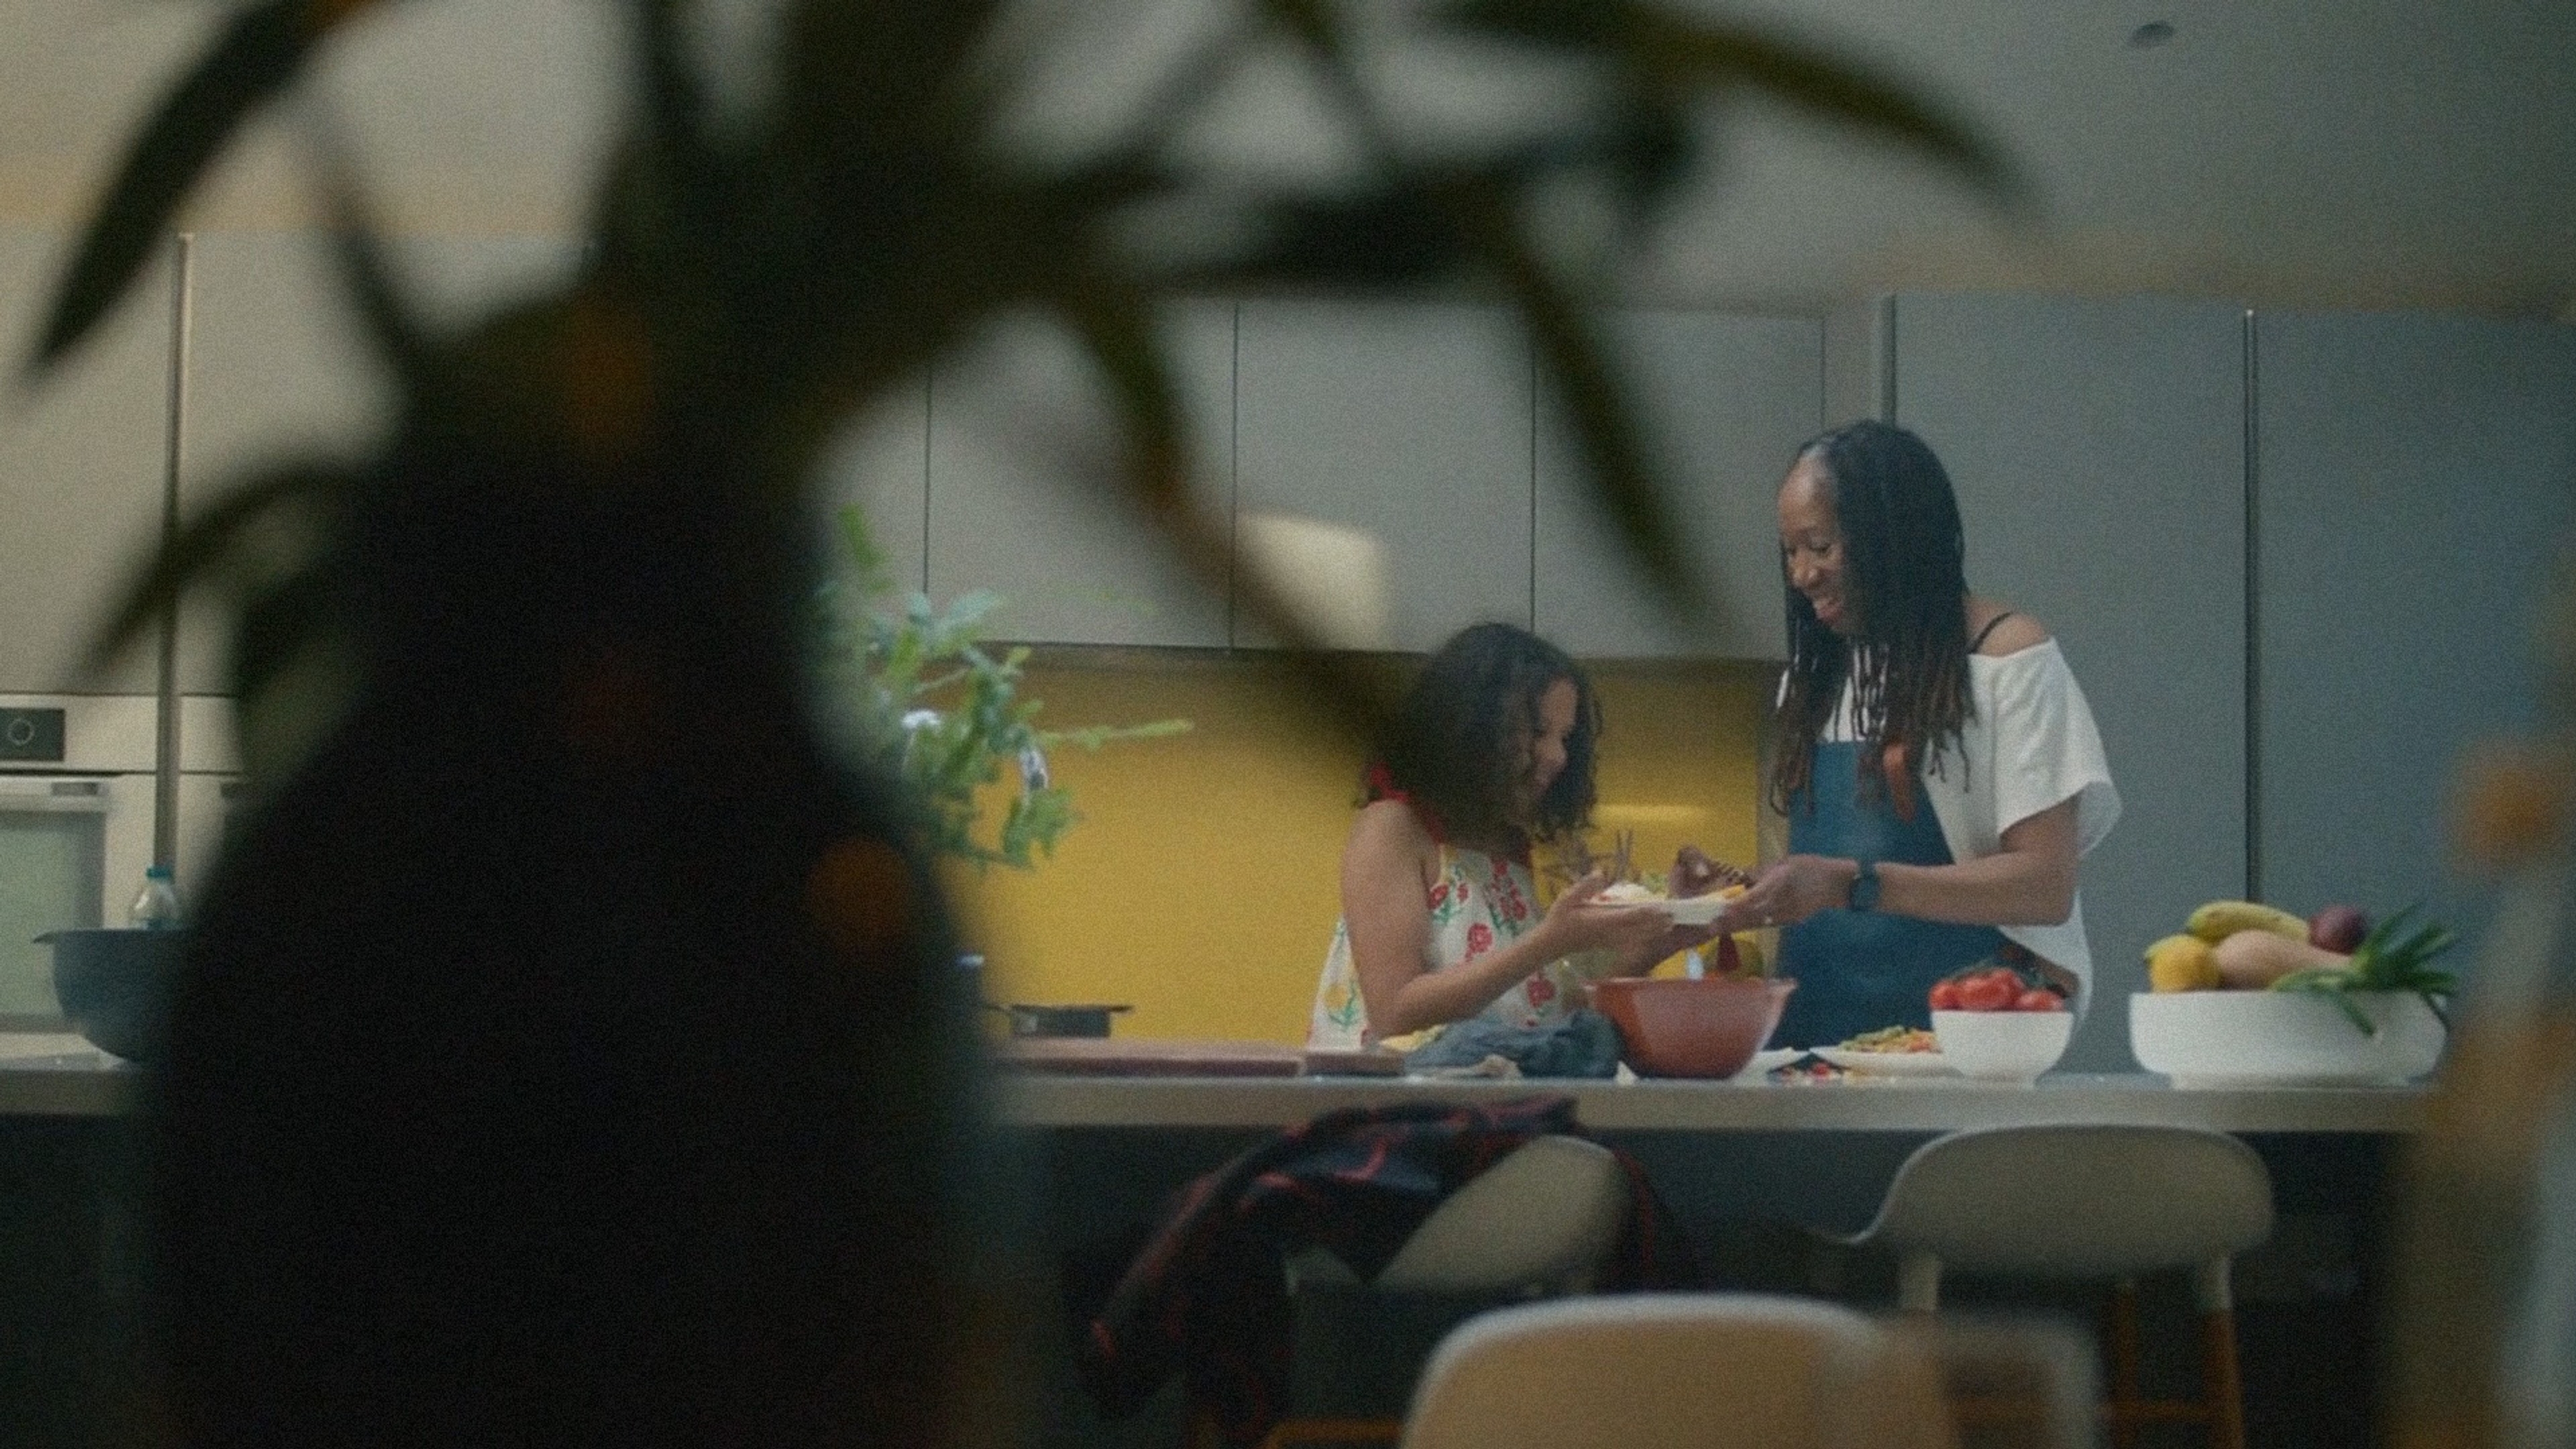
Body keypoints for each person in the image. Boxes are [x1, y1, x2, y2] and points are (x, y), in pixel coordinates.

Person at [1714, 420, 2121, 1049]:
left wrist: (1852, 883)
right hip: (1810, 1040)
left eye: (1820, 546)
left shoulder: (2006, 659)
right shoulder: (1814, 678)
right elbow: (1820, 877)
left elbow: (2044, 885)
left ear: (1892, 536)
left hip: (1964, 1042)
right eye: (1789, 552)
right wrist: (1739, 893)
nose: (1801, 575)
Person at [1307, 623, 1716, 1051]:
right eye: (1538, 732)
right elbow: (1395, 1012)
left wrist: (1671, 935)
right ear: (1472, 728)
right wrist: (1550, 942)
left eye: (1565, 737)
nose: (1558, 756)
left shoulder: (1509, 844)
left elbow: (1544, 1015)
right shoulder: (1393, 827)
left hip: (1488, 1086)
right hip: (1394, 1093)